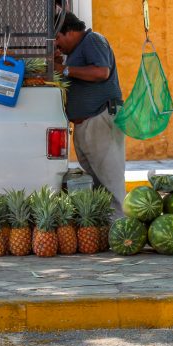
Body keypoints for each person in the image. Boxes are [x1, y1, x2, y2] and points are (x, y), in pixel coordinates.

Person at [54, 12, 126, 218]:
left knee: (110, 181)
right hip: (86, 124)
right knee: (97, 183)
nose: (57, 45)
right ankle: (107, 232)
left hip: (100, 119)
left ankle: (121, 231)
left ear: (69, 31)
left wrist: (65, 69)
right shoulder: (76, 51)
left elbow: (101, 72)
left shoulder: (93, 40)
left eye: (57, 39)